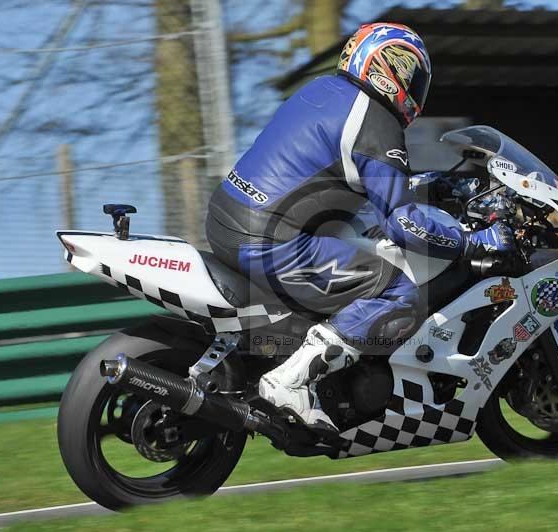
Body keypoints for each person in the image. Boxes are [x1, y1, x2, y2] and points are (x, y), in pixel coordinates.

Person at [206, 22, 514, 433]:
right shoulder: (376, 122)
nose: (416, 90)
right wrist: (470, 240)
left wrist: (435, 185)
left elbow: (349, 179)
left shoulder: (322, 93)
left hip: (227, 219)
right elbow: (404, 223)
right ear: (389, 69)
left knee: (357, 257)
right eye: (413, 76)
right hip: (272, 242)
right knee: (399, 291)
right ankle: (290, 382)